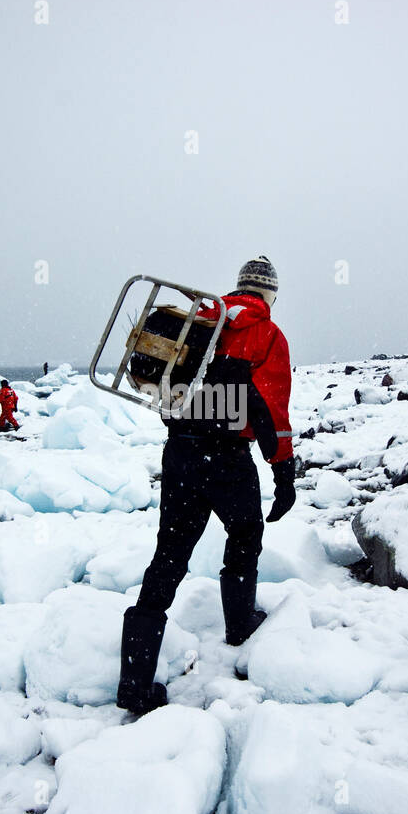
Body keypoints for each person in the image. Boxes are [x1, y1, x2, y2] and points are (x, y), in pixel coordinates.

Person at [117, 255, 296, 715]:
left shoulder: (201, 317)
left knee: (169, 555)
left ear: (237, 288)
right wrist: (282, 467)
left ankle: (135, 682)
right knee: (244, 533)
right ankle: (239, 625)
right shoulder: (268, 334)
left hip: (180, 450)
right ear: (270, 295)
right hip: (228, 457)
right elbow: (271, 406)